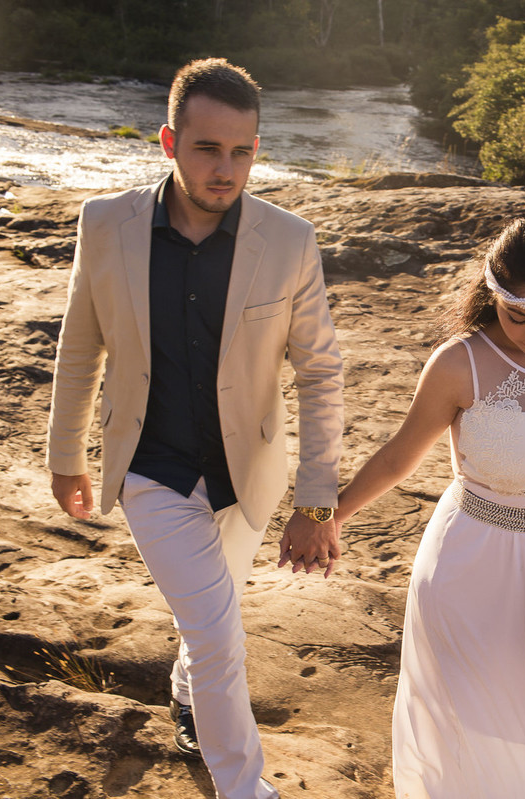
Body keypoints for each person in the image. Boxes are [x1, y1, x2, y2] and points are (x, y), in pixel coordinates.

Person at [47, 58, 344, 799]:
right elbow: (82, 344)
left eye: (243, 150)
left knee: (209, 616)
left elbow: (320, 372)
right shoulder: (104, 223)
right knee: (218, 631)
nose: (227, 168)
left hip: (248, 474)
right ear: (168, 141)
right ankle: (244, 786)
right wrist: (66, 454)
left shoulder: (289, 240)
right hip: (150, 465)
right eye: (209, 148)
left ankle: (186, 693)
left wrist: (316, 501)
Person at [302, 218, 525, 798]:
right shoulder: (460, 363)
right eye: (519, 315)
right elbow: (400, 457)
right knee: (482, 723)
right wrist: (328, 515)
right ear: (491, 294)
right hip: (474, 565)